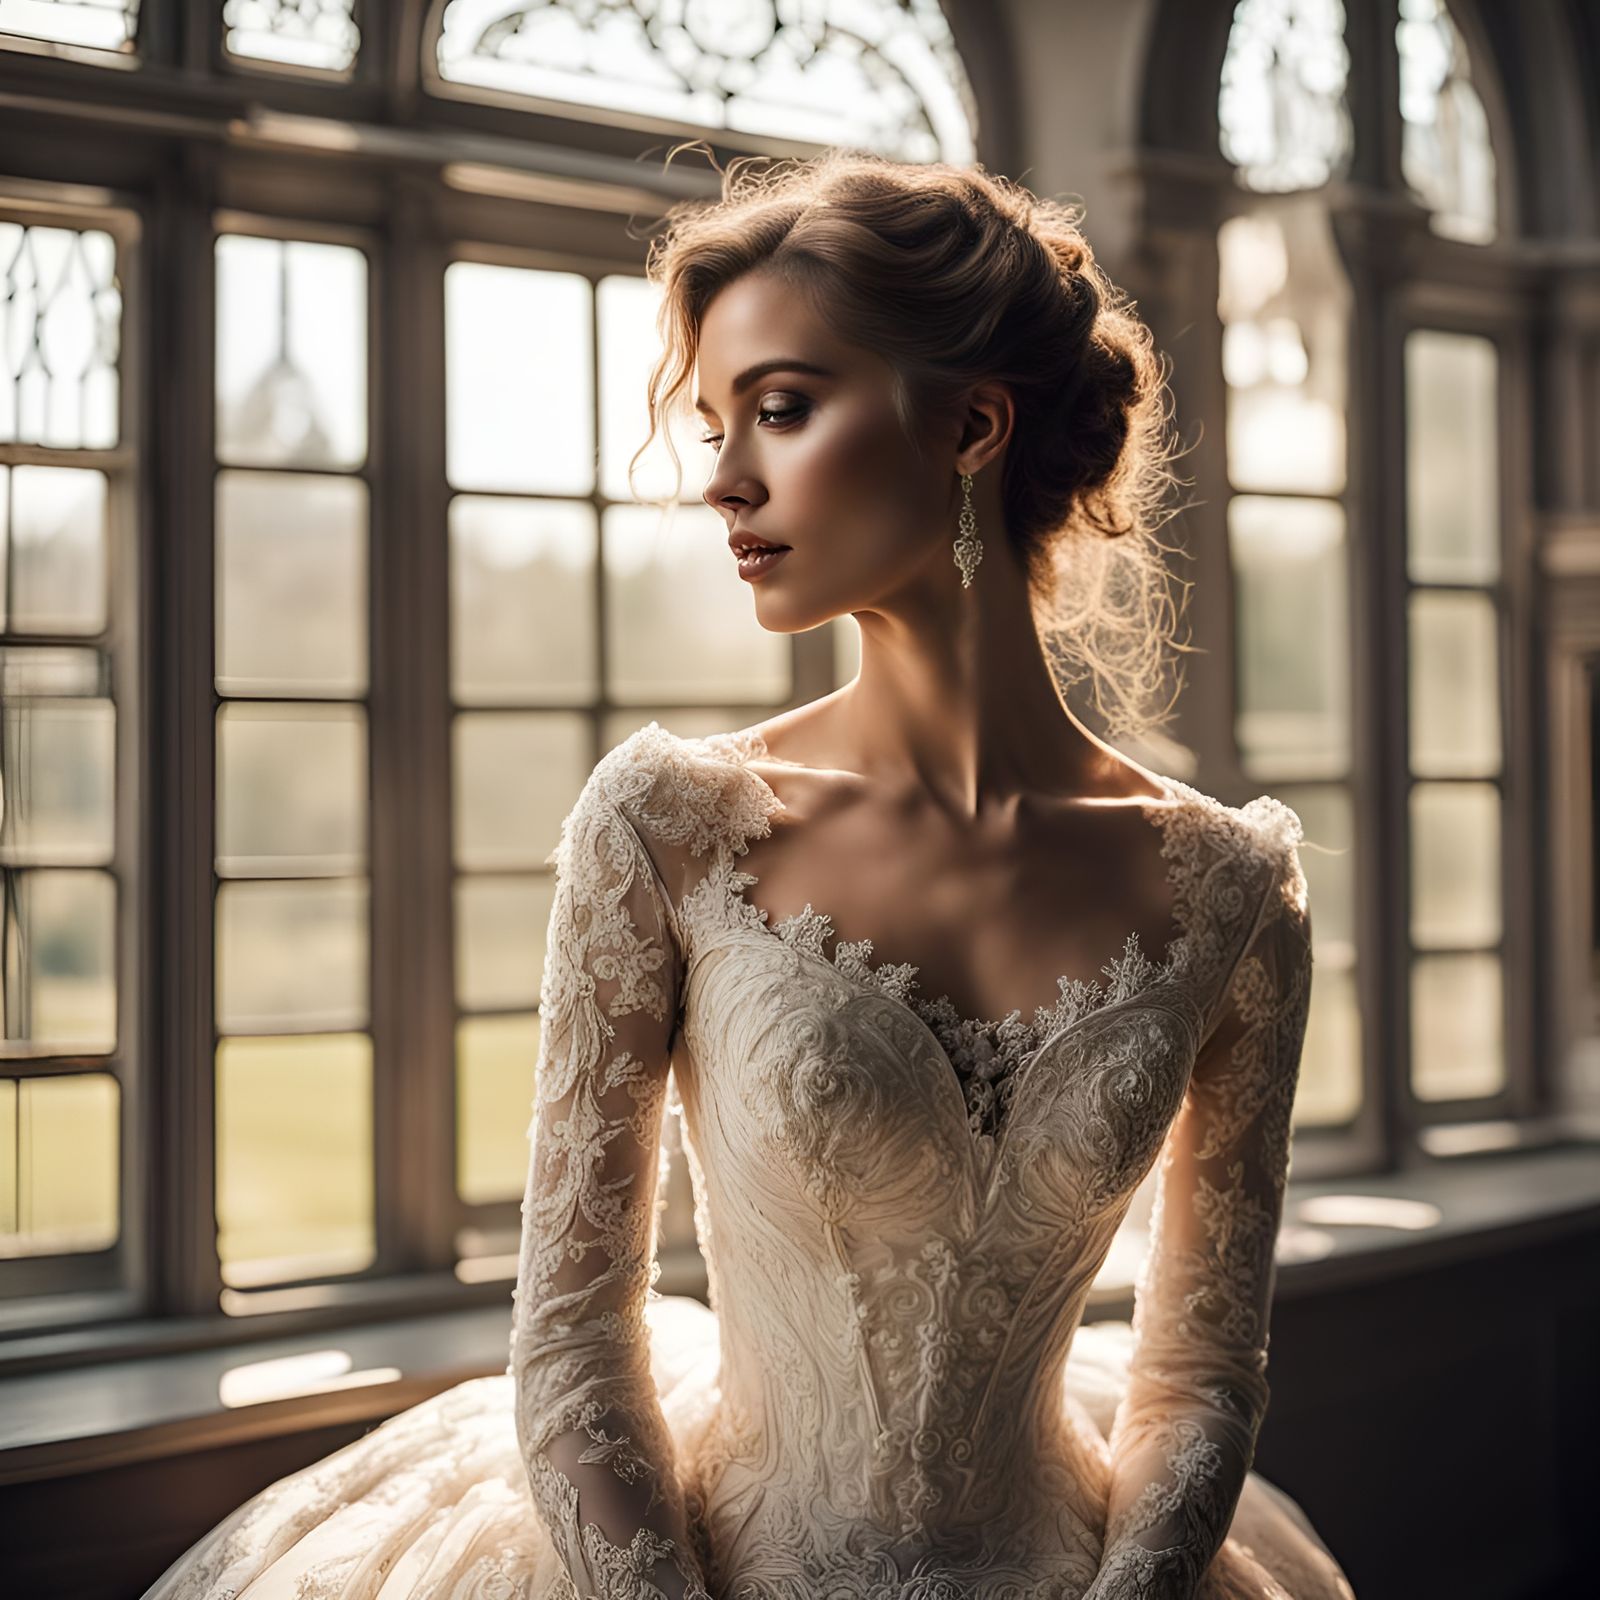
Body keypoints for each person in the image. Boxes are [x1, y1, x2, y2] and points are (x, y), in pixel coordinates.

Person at [142, 146, 1356, 1599]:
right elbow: (576, 1352)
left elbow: (1197, 1377)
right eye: (717, 423)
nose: (723, 480)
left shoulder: (1229, 893)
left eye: (781, 409)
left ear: (971, 424)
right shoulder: (670, 825)